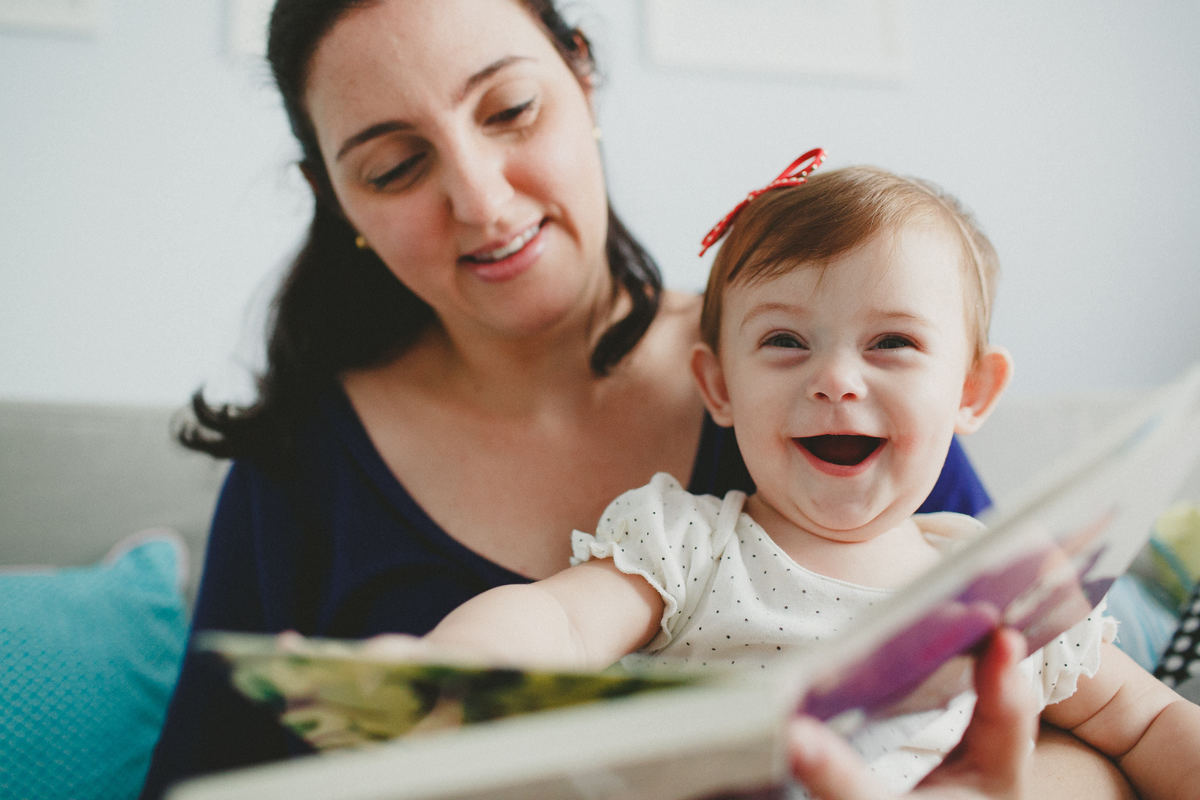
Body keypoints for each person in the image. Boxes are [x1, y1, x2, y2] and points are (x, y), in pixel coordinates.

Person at [139, 0, 1134, 797]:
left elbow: (1102, 731)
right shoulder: (299, 468)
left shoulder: (832, 398)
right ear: (336, 199)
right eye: (396, 165)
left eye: (509, 110)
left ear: (582, 76)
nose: (482, 198)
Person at [412, 158, 1200, 796]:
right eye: (786, 340)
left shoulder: (1005, 588)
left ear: (971, 392)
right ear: (718, 386)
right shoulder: (688, 545)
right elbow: (561, 624)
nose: (835, 380)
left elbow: (1146, 723)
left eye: (891, 342)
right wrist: (454, 670)